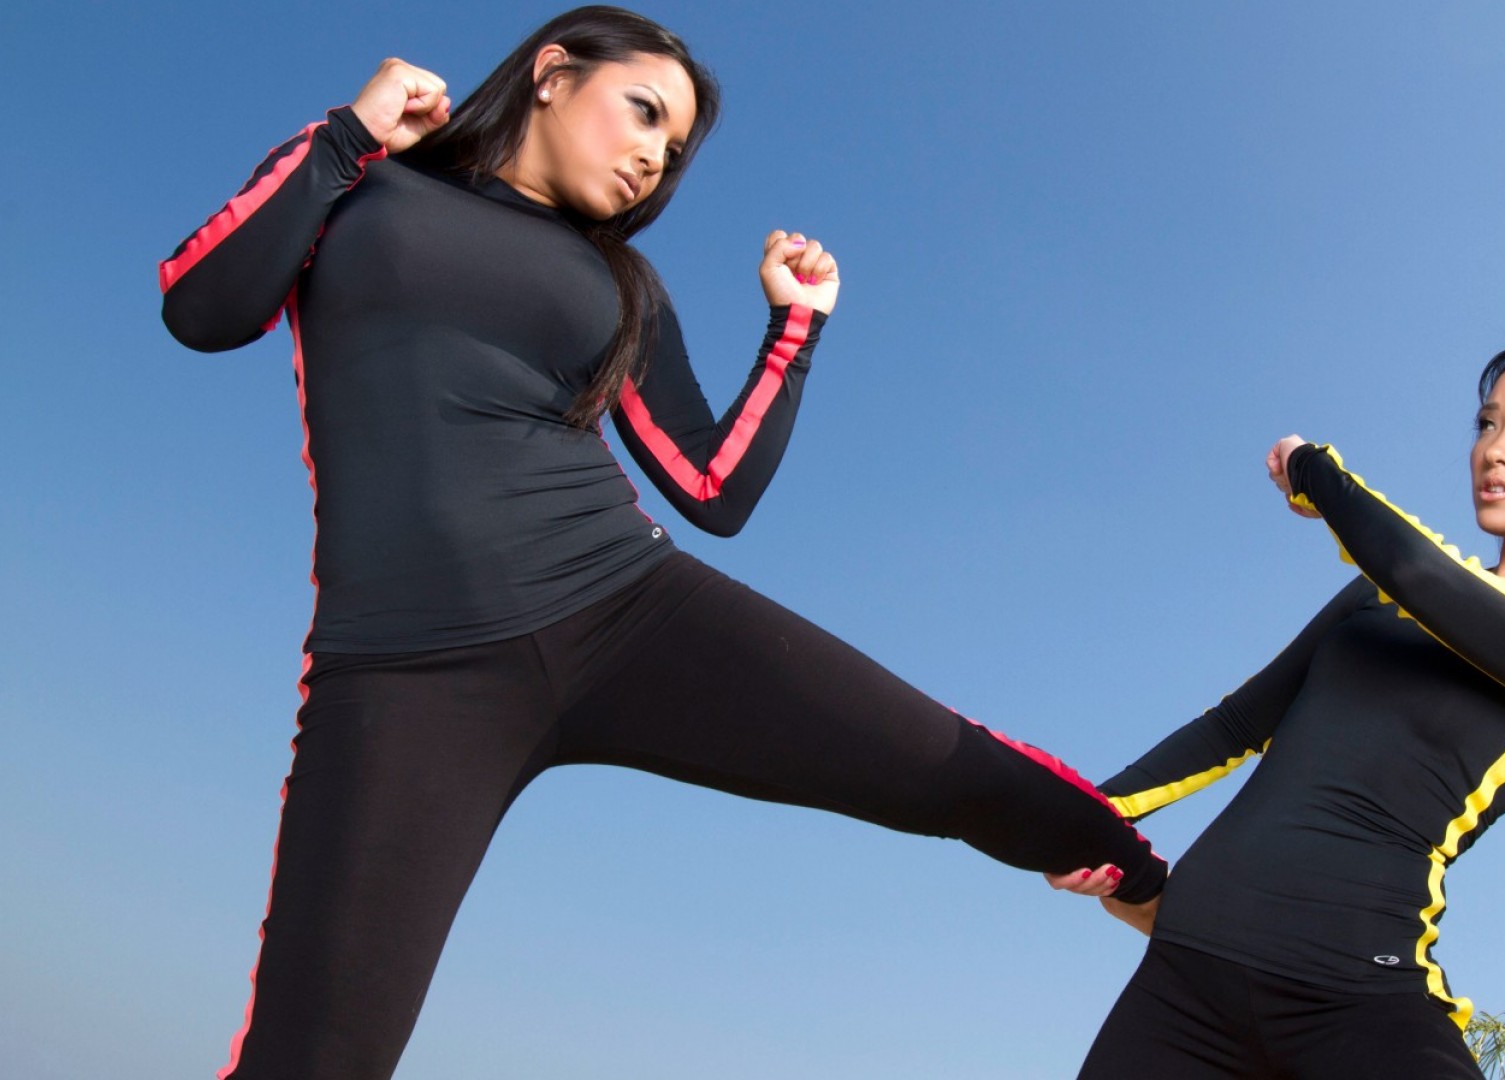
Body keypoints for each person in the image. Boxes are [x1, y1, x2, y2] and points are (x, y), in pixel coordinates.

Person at [158, 8, 1163, 1077]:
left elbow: (711, 488)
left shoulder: (619, 285)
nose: (654, 157)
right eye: (644, 113)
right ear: (553, 72)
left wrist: (796, 327)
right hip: (405, 671)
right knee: (313, 1056)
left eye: (674, 150)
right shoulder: (360, 180)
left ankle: (1177, 909)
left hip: (627, 611)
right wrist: (347, 136)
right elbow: (202, 307)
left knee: (958, 771)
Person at [1049, 326, 1505, 1078]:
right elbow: (1233, 727)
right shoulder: (1376, 598)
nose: (1496, 449)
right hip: (1187, 975)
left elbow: (1422, 572)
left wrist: (1316, 472)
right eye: (1487, 422)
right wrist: (1087, 818)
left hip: (1359, 999)